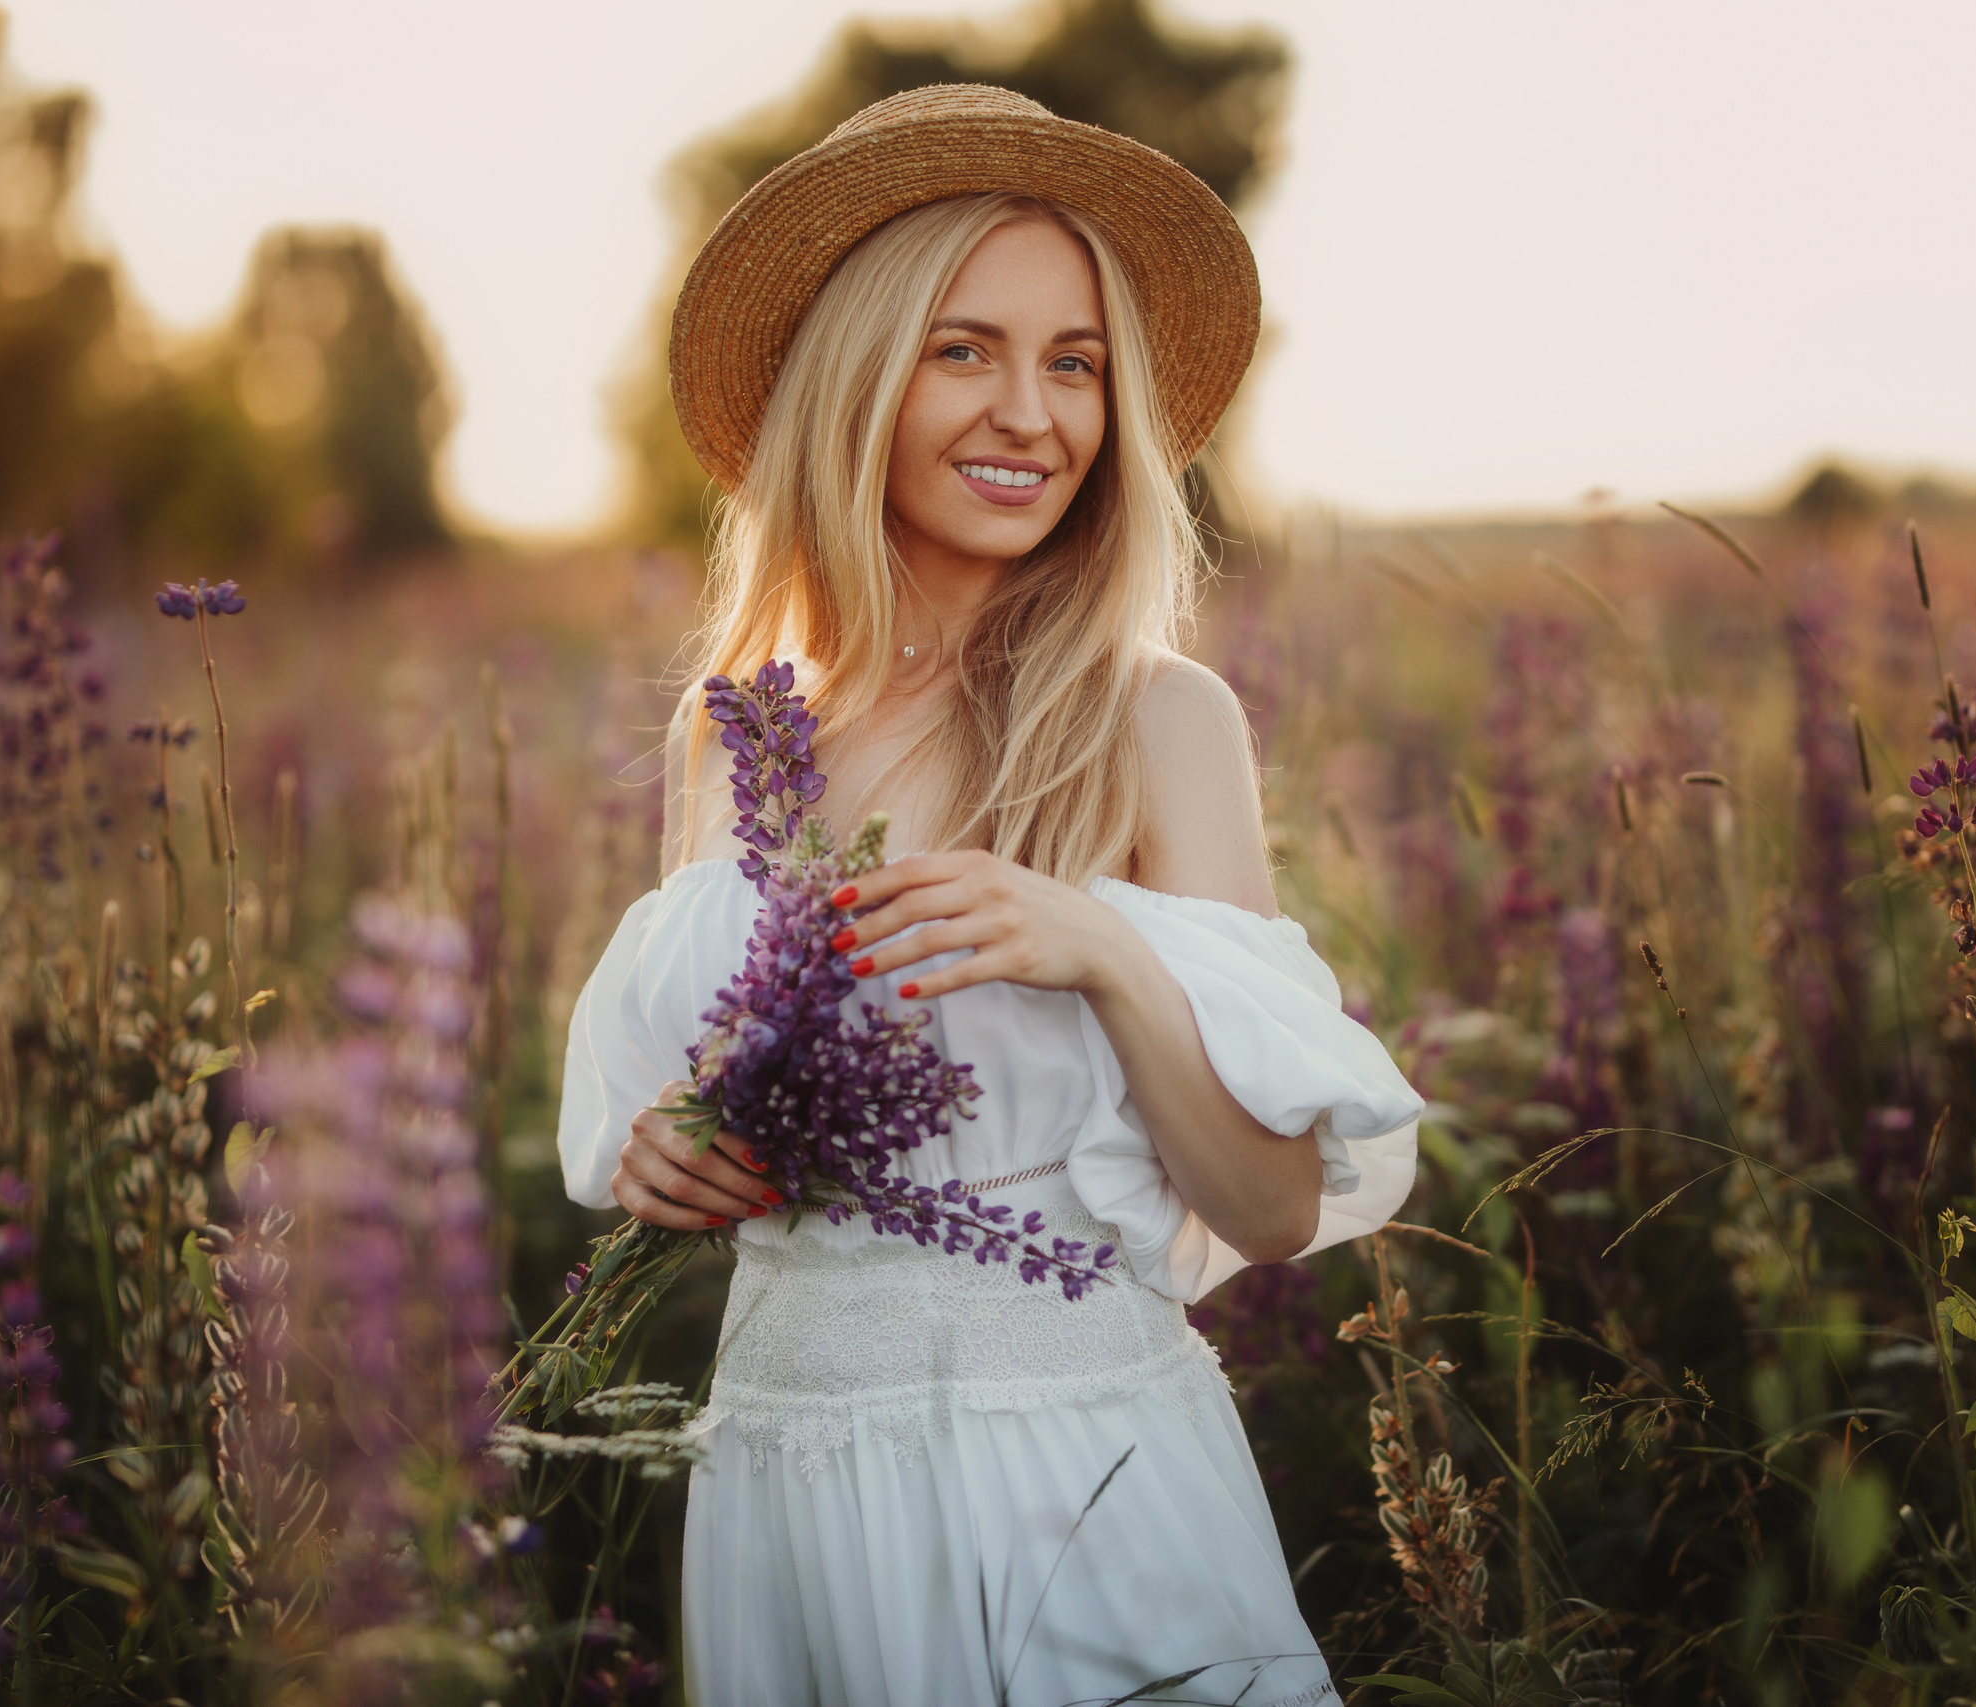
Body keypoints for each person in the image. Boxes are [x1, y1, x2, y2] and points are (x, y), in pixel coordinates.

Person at [558, 86, 1425, 1707]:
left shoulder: (1161, 723)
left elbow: (1273, 1210)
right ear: (855, 381)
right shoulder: (735, 733)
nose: (1034, 413)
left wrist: (1102, 949)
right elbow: (728, 1087)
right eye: (966, 349)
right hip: (788, 1468)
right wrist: (670, 1151)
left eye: (1075, 363)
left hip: (1076, 1475)